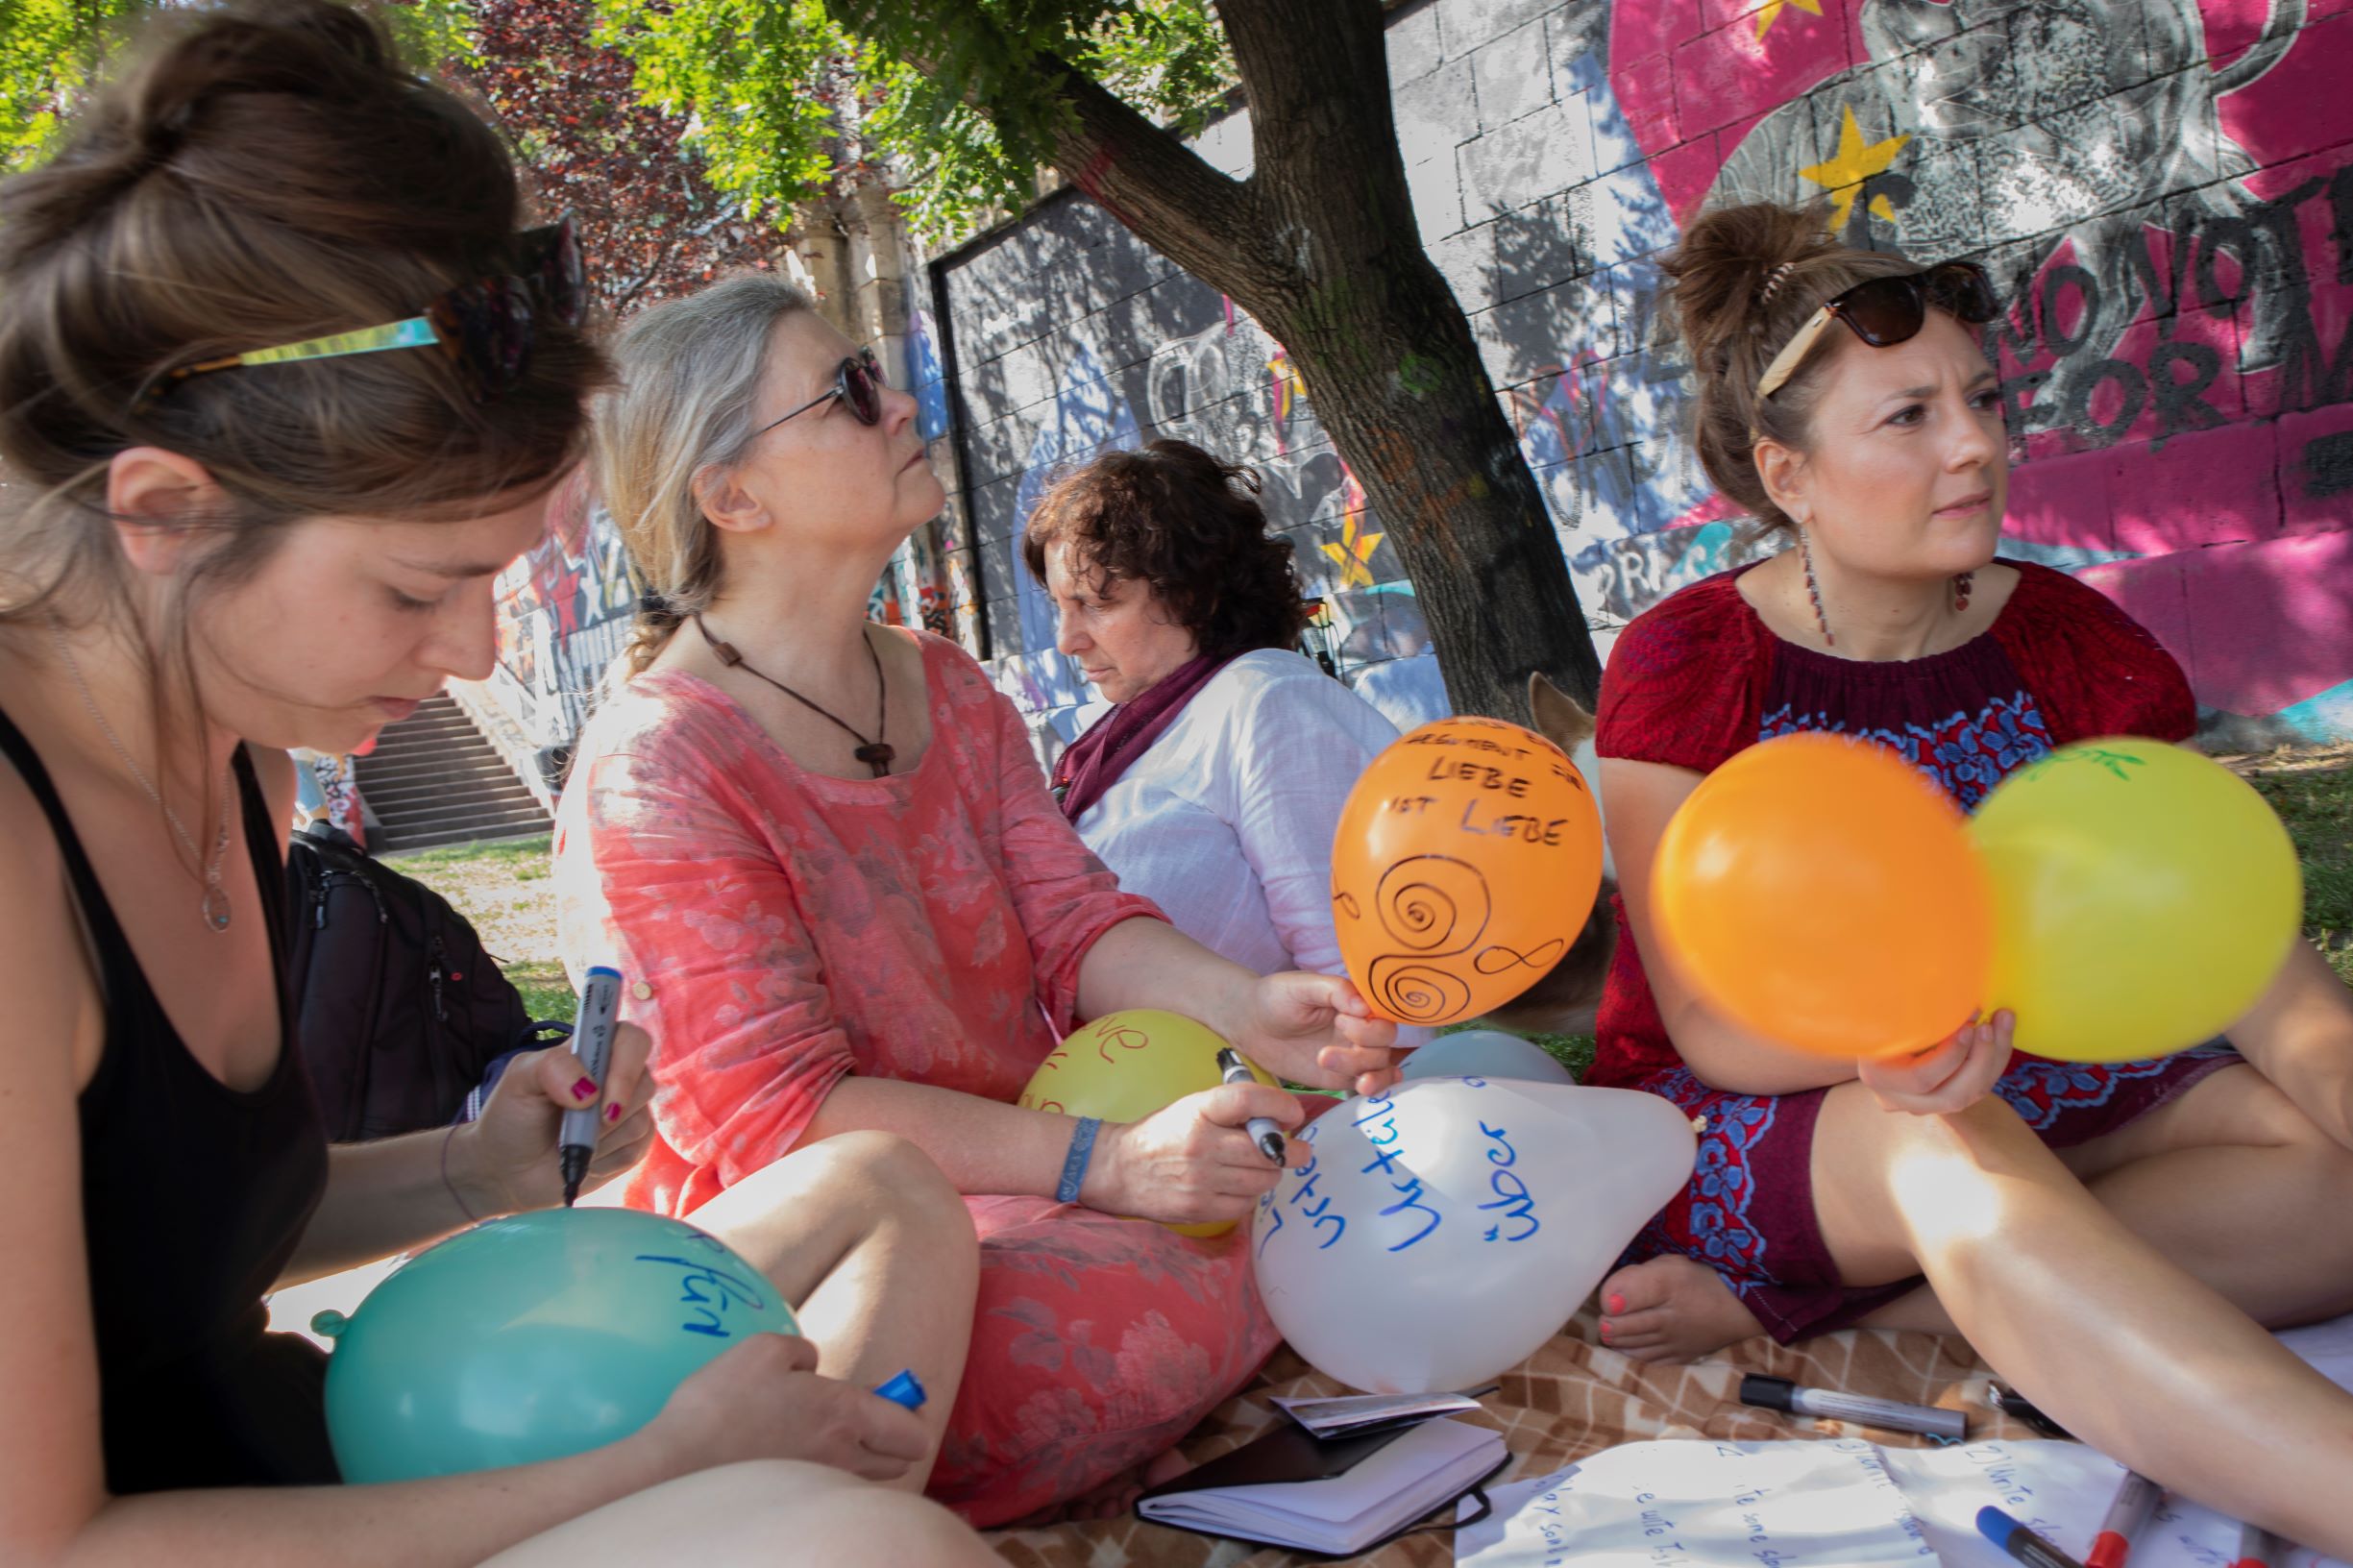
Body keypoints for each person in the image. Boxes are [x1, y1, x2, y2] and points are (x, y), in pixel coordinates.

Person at [0, 7, 993, 1564]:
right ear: (166, 514)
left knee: (884, 1187)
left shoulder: (236, 756)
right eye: (417, 589)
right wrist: (661, 1468)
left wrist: (469, 1164)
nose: (470, 652)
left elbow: (155, 1234)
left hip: (317, 1457)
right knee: (865, 1543)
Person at [556, 276, 1403, 1526]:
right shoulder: (659, 767)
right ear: (732, 497)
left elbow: (1073, 925)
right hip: (840, 1263)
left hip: (1036, 1182)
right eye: (847, 392)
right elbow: (781, 1122)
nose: (900, 401)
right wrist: (1108, 1164)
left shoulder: (951, 690)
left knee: (1305, 1182)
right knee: (1140, 1296)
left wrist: (1253, 1006)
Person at [1581, 201, 2353, 1549]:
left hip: (2052, 1068)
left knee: (2334, 1191)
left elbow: (2252, 972)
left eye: (1983, 399)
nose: (1979, 445)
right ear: (1787, 473)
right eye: (1909, 417)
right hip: (1792, 1102)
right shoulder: (1689, 663)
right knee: (1943, 1136)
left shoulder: (2069, 638)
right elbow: (1703, 1018)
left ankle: (1860, 1312)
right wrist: (1892, 1047)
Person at [1023, 439, 1403, 984]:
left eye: (1098, 603)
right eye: (1061, 607)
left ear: (1192, 594)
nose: (1067, 641)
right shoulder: (1132, 723)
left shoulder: (1269, 703)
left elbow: (1352, 966)